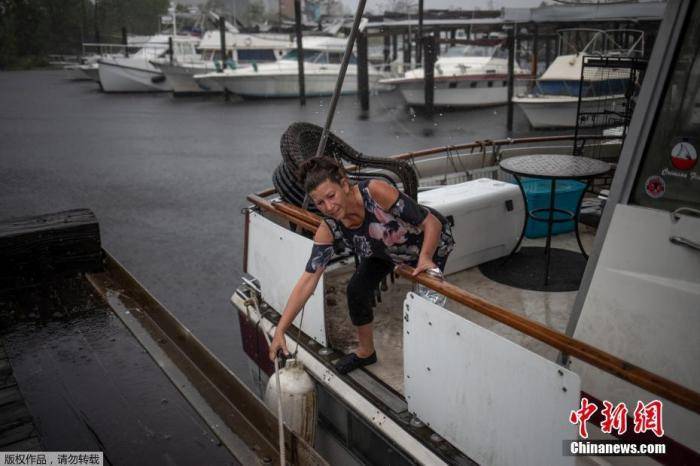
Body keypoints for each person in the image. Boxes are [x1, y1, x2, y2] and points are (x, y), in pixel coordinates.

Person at [268, 156, 454, 374]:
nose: (328, 207)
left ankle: (435, 365)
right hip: (384, 251)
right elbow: (308, 279)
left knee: (426, 309)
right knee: (356, 290)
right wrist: (280, 330)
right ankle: (366, 352)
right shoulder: (329, 228)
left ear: (344, 185)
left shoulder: (375, 192)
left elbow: (431, 222)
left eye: (331, 195)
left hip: (427, 245)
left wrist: (425, 258)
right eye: (320, 203)